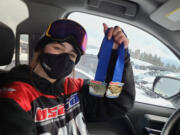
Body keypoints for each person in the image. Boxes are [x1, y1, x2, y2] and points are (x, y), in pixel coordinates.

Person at [0, 19, 135, 135]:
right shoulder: (15, 99)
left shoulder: (75, 87)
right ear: (41, 50)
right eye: (58, 48)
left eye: (71, 55)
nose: (64, 58)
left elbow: (117, 102)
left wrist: (115, 56)